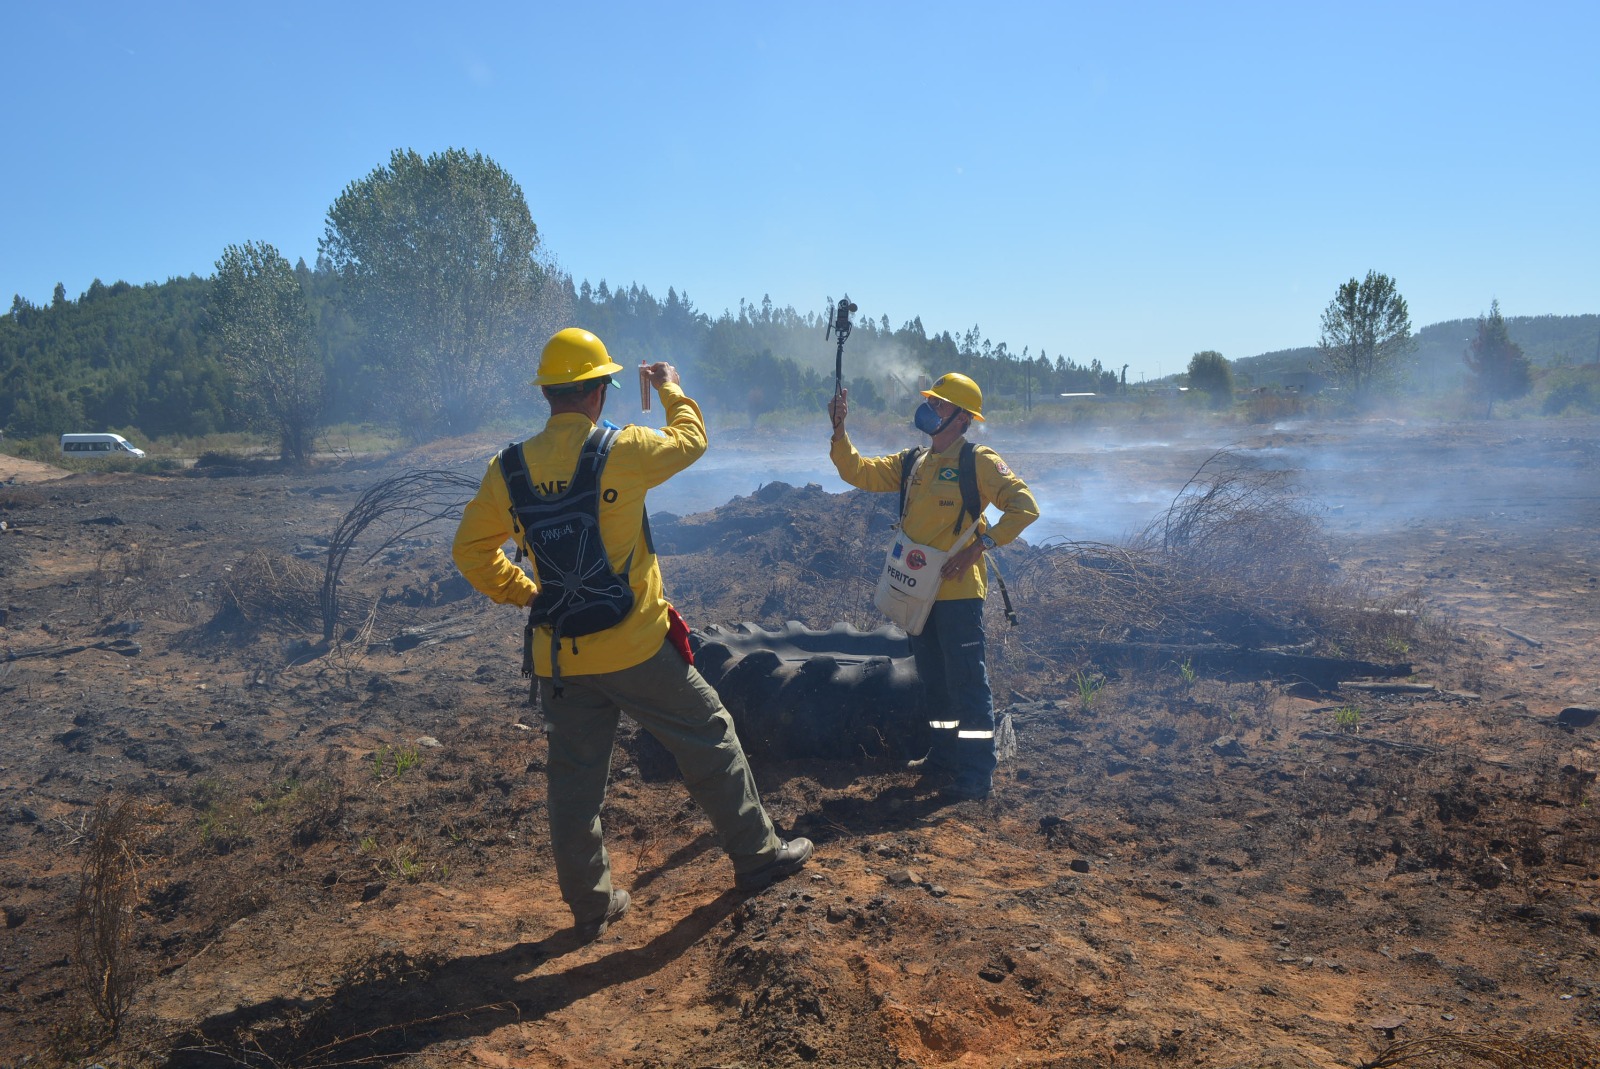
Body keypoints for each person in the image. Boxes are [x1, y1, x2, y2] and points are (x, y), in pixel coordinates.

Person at [453, 327, 811, 939]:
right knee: (709, 736)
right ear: (598, 391)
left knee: (574, 785)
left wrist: (527, 592)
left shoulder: (506, 468)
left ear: (547, 393)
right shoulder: (626, 448)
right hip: (637, 647)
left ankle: (591, 907)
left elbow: (470, 551)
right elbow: (692, 439)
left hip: (560, 656)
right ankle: (758, 857)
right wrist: (671, 387)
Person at [828, 372, 1039, 801]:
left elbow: (1025, 507)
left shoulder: (978, 461)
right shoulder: (914, 463)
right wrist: (839, 429)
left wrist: (981, 546)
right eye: (931, 402)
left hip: (958, 594)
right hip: (916, 591)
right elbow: (858, 472)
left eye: (940, 404)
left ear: (962, 418)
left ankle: (976, 772)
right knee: (934, 680)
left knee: (967, 682)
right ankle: (943, 757)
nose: (930, 409)